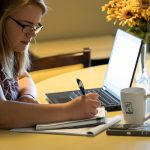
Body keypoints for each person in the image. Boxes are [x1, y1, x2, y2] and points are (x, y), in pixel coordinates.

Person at [0, 0, 100, 129]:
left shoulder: (10, 51)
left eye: (35, 27)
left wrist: (27, 95)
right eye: (25, 25)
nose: (32, 34)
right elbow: (3, 114)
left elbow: (22, 77)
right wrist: (70, 110)